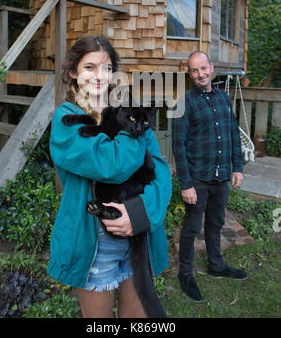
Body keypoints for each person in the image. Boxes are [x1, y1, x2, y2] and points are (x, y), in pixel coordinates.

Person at [47, 35, 172, 318]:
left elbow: (162, 174)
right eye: (89, 67)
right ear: (73, 73)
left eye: (106, 67)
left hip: (139, 235)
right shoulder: (66, 118)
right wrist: (134, 129)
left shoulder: (130, 112)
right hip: (95, 242)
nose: (99, 75)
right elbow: (113, 166)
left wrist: (139, 215)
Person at [172, 51, 247, 303]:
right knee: (192, 226)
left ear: (211, 68)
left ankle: (216, 265)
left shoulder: (225, 98)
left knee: (216, 222)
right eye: (194, 70)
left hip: (222, 176)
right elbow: (179, 146)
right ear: (190, 73)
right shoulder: (184, 103)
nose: (200, 74)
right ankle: (185, 274)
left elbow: (233, 135)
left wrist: (237, 167)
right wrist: (186, 184)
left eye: (203, 68)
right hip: (198, 178)